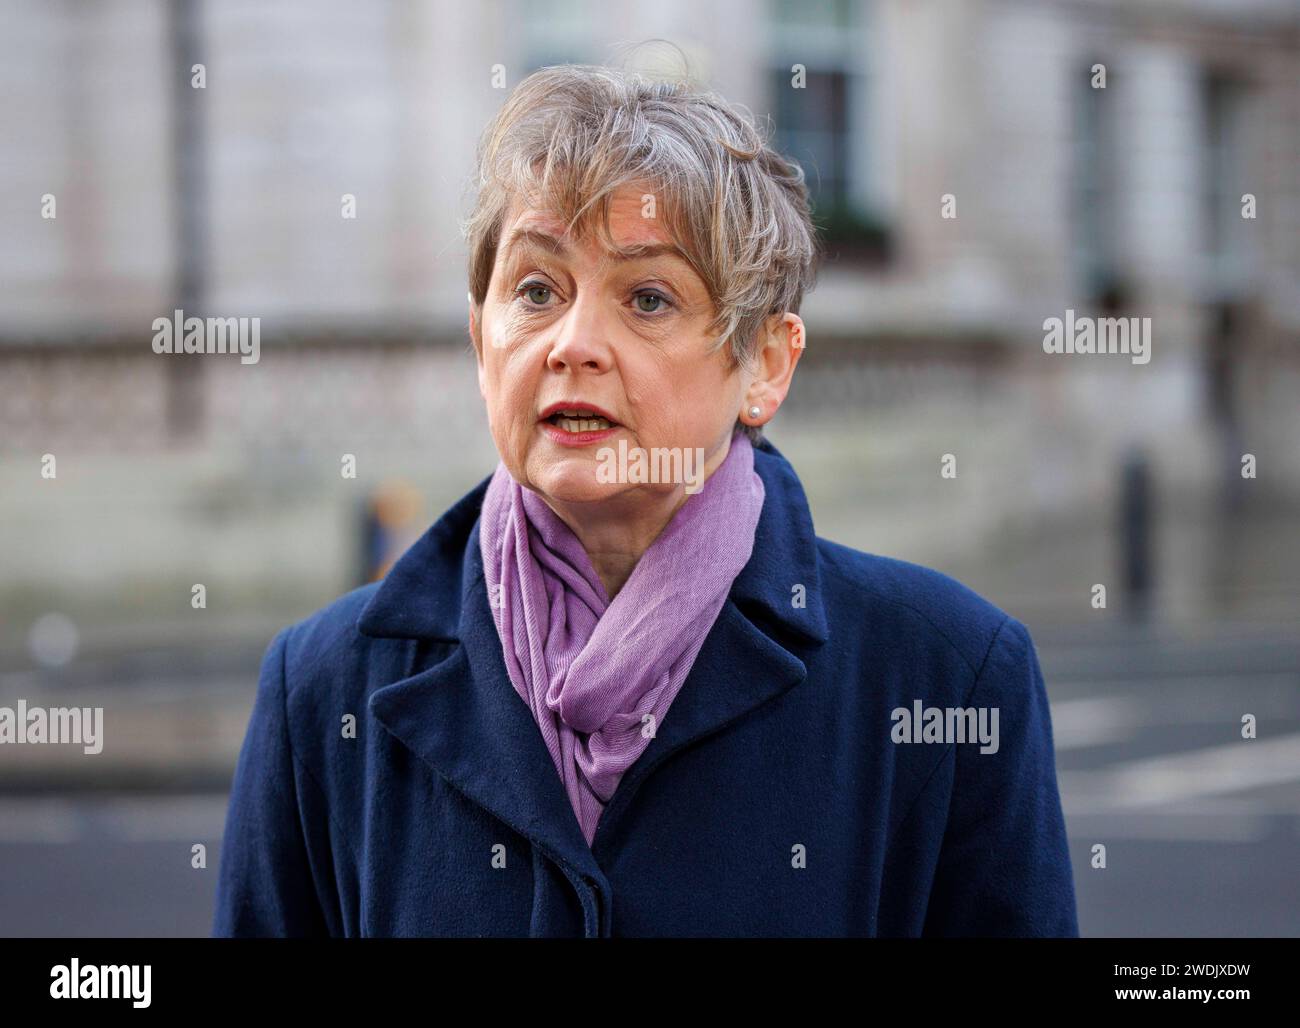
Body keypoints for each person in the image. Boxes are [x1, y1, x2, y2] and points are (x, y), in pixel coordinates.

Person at [212, 63, 1078, 937]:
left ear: (766, 364)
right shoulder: (322, 690)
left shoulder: (951, 675)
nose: (573, 344)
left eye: (648, 297)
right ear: (482, 343)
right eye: (537, 291)